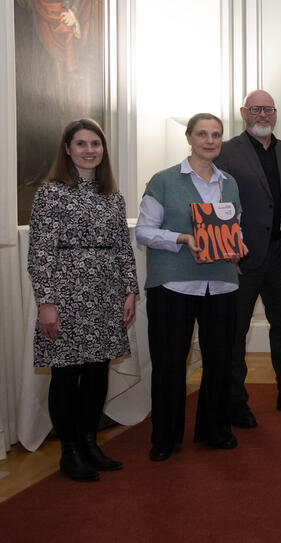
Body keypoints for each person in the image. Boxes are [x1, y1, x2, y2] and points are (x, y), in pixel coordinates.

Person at [28, 119, 138, 481]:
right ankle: (70, 450)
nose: (90, 150)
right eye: (82, 144)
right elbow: (40, 252)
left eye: (96, 144)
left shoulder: (113, 196)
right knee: (66, 373)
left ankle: (91, 443)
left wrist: (130, 291)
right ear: (68, 149)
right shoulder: (51, 193)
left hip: (106, 295)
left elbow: (123, 248)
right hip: (65, 295)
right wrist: (46, 301)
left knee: (96, 372)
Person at [136, 113, 247, 462]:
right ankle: (165, 438)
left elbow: (235, 229)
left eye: (216, 135)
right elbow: (144, 231)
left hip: (221, 284)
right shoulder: (164, 180)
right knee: (170, 364)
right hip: (173, 285)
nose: (210, 140)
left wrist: (239, 246)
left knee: (220, 362)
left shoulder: (229, 183)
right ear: (189, 137)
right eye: (203, 134)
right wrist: (183, 238)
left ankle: (214, 430)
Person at [215, 89, 281, 429]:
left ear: (276, 114)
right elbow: (218, 205)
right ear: (244, 112)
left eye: (269, 109)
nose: (263, 115)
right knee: (236, 331)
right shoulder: (226, 151)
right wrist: (228, 250)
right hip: (241, 256)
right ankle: (234, 399)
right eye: (256, 109)